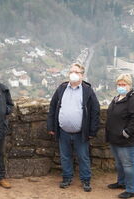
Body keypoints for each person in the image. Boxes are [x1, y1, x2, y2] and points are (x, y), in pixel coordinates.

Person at [47, 63, 100, 192]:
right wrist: (51, 126)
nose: (73, 74)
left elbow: (95, 110)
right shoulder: (62, 88)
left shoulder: (87, 90)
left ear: (82, 75)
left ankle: (86, 180)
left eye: (76, 72)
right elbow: (53, 107)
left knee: (83, 156)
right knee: (65, 156)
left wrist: (92, 131)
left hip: (81, 133)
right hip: (63, 131)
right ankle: (67, 178)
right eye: (71, 71)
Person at [105, 74, 134, 199]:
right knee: (120, 164)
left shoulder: (133, 99)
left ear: (129, 85)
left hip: (127, 140)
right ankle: (121, 182)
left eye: (124, 84)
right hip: (115, 139)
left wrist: (126, 133)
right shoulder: (117, 98)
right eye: (119, 84)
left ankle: (131, 189)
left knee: (128, 164)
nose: (121, 87)